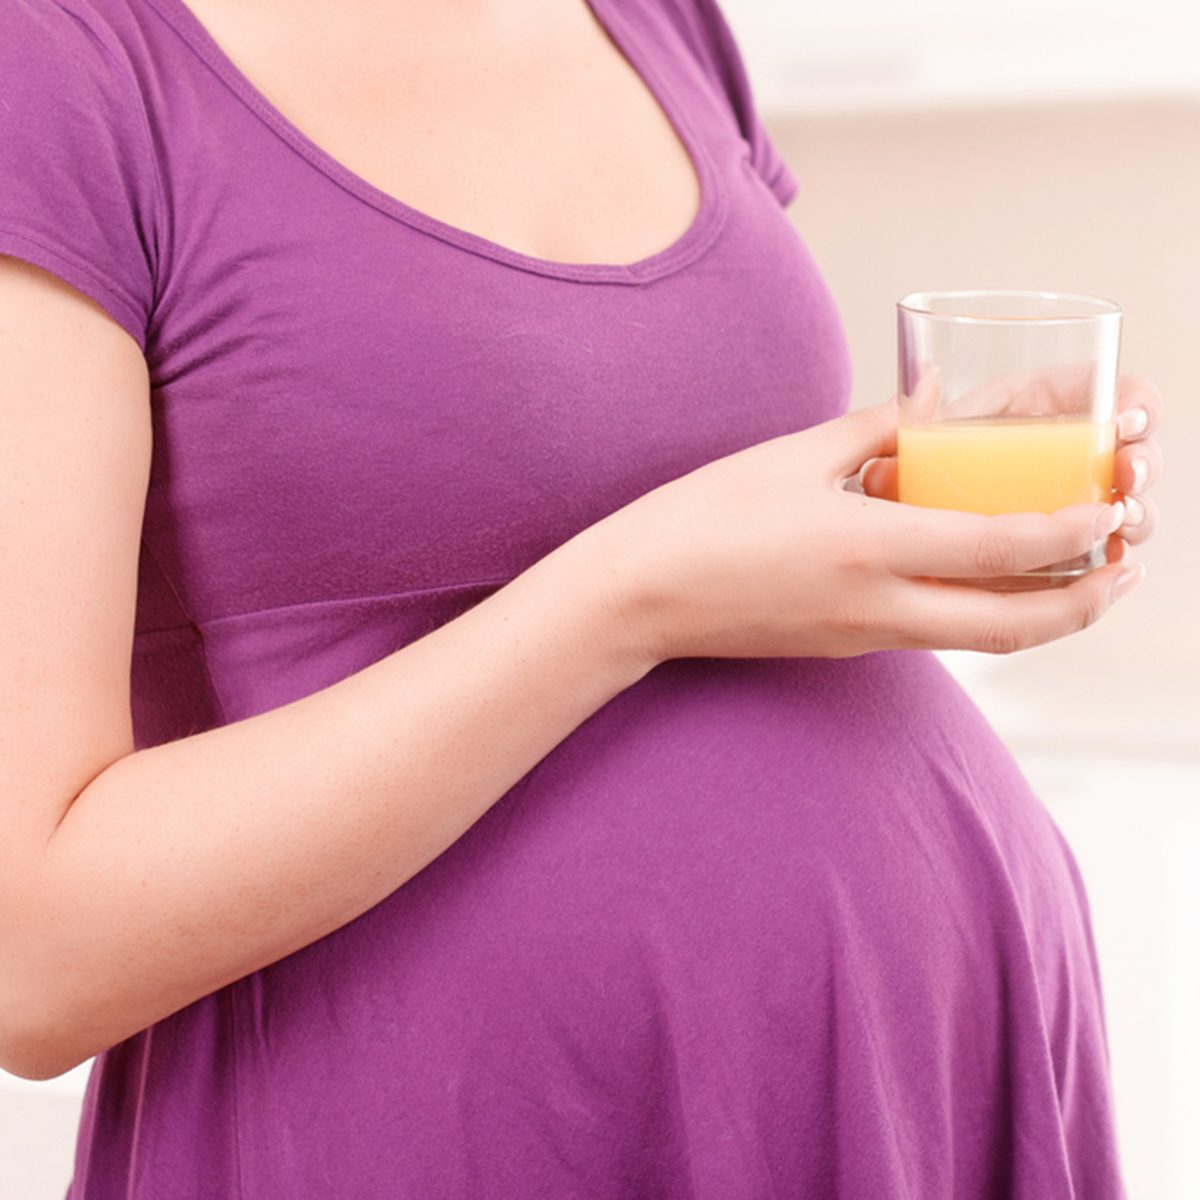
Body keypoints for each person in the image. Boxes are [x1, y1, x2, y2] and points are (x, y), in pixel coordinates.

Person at [0, 0, 1162, 1195]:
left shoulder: (658, 19)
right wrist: (633, 597)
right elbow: (30, 965)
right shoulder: (54, 63)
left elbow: (687, 493)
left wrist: (906, 515)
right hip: (447, 1128)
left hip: (914, 1074)